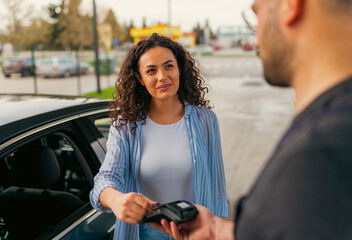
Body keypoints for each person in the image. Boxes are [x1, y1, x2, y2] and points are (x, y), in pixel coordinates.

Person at [152, 0, 352, 239]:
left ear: (290, 5)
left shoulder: (319, 156)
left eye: (256, 14)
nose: (256, 38)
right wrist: (221, 231)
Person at [89, 33, 228, 239]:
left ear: (179, 68)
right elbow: (106, 178)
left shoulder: (206, 120)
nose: (162, 76)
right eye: (151, 70)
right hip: (146, 234)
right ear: (140, 79)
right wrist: (116, 199)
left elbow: (218, 186)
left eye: (169, 66)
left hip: (198, 233)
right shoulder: (125, 127)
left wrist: (219, 229)